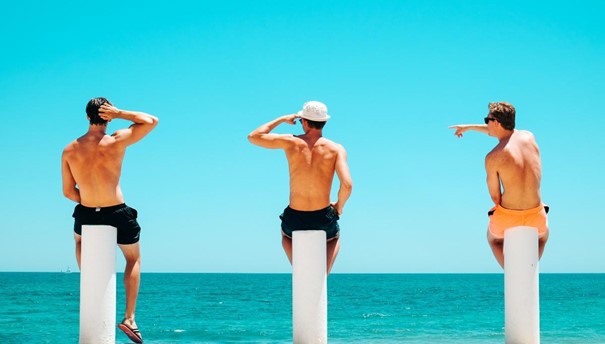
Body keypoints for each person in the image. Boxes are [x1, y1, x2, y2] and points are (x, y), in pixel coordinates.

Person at [61, 97, 158, 344]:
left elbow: (68, 192)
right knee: (133, 258)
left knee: (79, 241)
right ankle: (130, 318)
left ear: (86, 117)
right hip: (117, 211)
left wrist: (91, 200)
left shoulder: (70, 148)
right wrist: (120, 112)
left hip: (86, 212)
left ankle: (91, 281)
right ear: (108, 116)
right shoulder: (116, 140)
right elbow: (151, 121)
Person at [248, 101, 353, 274]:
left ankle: (300, 270)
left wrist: (282, 119)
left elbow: (253, 136)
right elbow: (347, 185)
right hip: (323, 217)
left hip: (295, 217)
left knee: (285, 236)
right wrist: (338, 208)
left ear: (304, 121)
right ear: (324, 122)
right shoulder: (336, 149)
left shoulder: (291, 142)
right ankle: (323, 273)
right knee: (334, 238)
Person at [449, 102, 549, 268]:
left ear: (495, 122)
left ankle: (510, 270)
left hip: (508, 218)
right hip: (536, 216)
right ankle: (530, 267)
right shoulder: (529, 137)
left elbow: (495, 197)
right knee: (544, 236)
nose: (486, 124)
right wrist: (469, 127)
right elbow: (503, 133)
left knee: (493, 240)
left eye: (487, 120)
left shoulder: (493, 157)